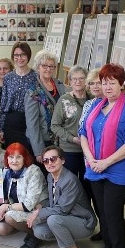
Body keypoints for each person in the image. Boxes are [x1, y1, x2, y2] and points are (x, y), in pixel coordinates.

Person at [79, 63, 125, 248]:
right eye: (104, 82)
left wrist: (106, 162)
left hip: (120, 169)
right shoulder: (98, 106)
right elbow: (83, 133)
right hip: (95, 167)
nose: (107, 87)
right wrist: (90, 158)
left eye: (112, 83)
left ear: (121, 84)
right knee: (102, 212)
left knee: (112, 212)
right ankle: (107, 247)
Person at [28, 146, 97, 248]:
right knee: (39, 231)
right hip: (66, 218)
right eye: (46, 160)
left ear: (63, 160)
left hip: (83, 222)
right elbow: (52, 201)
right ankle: (65, 239)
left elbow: (62, 209)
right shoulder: (51, 176)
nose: (50, 163)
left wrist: (38, 213)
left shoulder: (69, 180)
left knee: (53, 219)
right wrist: (39, 207)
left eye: (53, 159)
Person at [0, 143, 48, 248]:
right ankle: (28, 229)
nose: (14, 161)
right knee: (2, 229)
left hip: (38, 207)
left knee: (9, 216)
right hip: (19, 207)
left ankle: (35, 235)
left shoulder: (34, 171)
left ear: (25, 158)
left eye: (18, 157)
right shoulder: (7, 171)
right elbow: (6, 195)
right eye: (11, 157)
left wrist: (6, 207)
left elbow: (29, 205)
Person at [50, 65, 92, 198]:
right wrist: (72, 139)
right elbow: (55, 126)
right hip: (69, 150)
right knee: (71, 186)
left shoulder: (93, 99)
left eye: (81, 78)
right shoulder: (64, 100)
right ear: (70, 81)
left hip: (89, 152)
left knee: (88, 187)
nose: (78, 82)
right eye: (74, 79)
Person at [25, 49, 66, 165]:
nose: (48, 69)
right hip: (42, 141)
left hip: (59, 139)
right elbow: (32, 123)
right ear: (38, 67)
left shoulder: (60, 85)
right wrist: (38, 151)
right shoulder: (32, 91)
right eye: (44, 66)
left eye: (52, 66)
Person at [0, 42, 39, 154]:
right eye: (16, 55)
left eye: (23, 55)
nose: (19, 58)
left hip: (29, 122)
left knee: (27, 155)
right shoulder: (8, 77)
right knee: (12, 156)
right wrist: (1, 128)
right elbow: (4, 104)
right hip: (11, 123)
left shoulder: (36, 77)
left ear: (28, 56)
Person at [77, 68, 102, 241]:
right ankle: (103, 229)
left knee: (105, 200)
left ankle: (109, 233)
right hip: (88, 157)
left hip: (104, 158)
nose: (94, 86)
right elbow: (82, 129)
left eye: (98, 83)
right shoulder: (88, 104)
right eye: (91, 83)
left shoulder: (110, 104)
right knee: (94, 196)